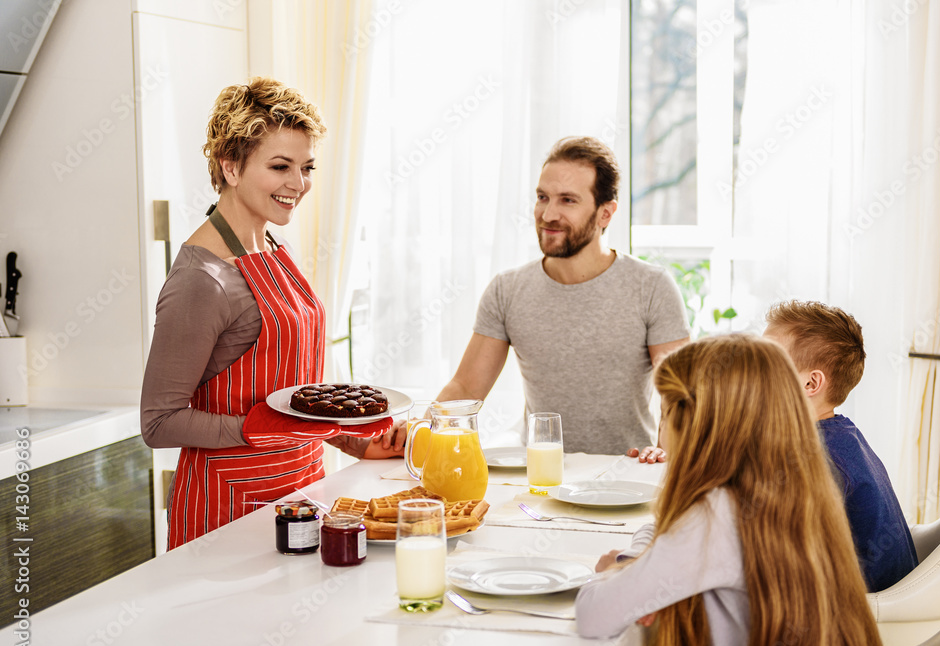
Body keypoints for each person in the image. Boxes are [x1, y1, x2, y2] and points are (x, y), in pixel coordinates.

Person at [141, 77, 395, 550]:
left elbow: (294, 398)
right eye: (280, 166)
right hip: (228, 512)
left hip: (302, 495)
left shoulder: (276, 247)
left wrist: (352, 438)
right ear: (231, 166)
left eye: (306, 167)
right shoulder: (202, 280)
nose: (298, 185)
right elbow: (158, 422)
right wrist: (253, 428)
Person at [575, 334, 885, 646]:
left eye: (664, 414)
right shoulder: (802, 487)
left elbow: (594, 615)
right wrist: (648, 561)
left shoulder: (715, 515)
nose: (661, 430)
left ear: (695, 426)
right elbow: (679, 543)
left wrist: (621, 568)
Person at [378, 137, 688, 459]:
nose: (548, 214)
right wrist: (422, 427)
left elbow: (679, 397)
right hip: (541, 477)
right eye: (543, 197)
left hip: (627, 476)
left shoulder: (652, 287)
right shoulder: (507, 290)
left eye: (568, 200)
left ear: (605, 214)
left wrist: (664, 453)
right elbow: (465, 388)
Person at [763, 300, 918, 592]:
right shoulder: (839, 434)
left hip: (863, 613)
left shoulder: (821, 458)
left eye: (765, 361)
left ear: (810, 384)